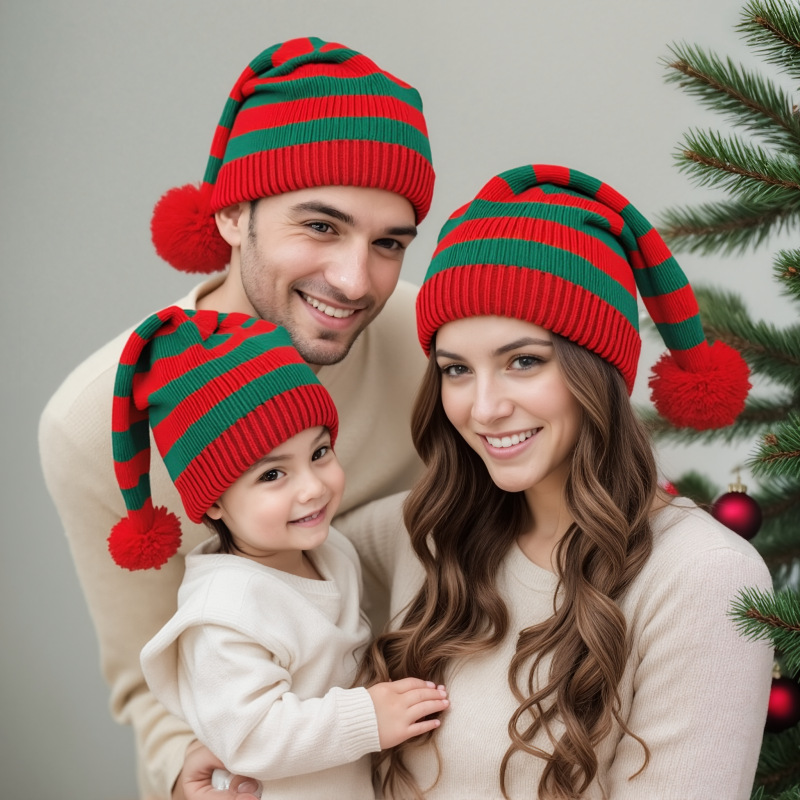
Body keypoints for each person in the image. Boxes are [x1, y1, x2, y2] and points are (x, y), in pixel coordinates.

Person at [37, 36, 435, 800]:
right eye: (319, 226)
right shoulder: (93, 423)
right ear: (230, 215)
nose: (355, 281)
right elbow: (147, 683)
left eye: (388, 243)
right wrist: (189, 775)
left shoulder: (433, 346)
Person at [348, 164, 774, 799]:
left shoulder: (702, 575)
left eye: (524, 361)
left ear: (597, 370)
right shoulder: (422, 530)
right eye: (457, 369)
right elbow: (249, 589)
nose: (484, 407)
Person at [107, 306, 449, 799]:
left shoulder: (329, 548)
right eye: (272, 475)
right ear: (216, 502)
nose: (312, 488)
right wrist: (367, 716)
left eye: (319, 453)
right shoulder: (226, 609)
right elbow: (251, 736)